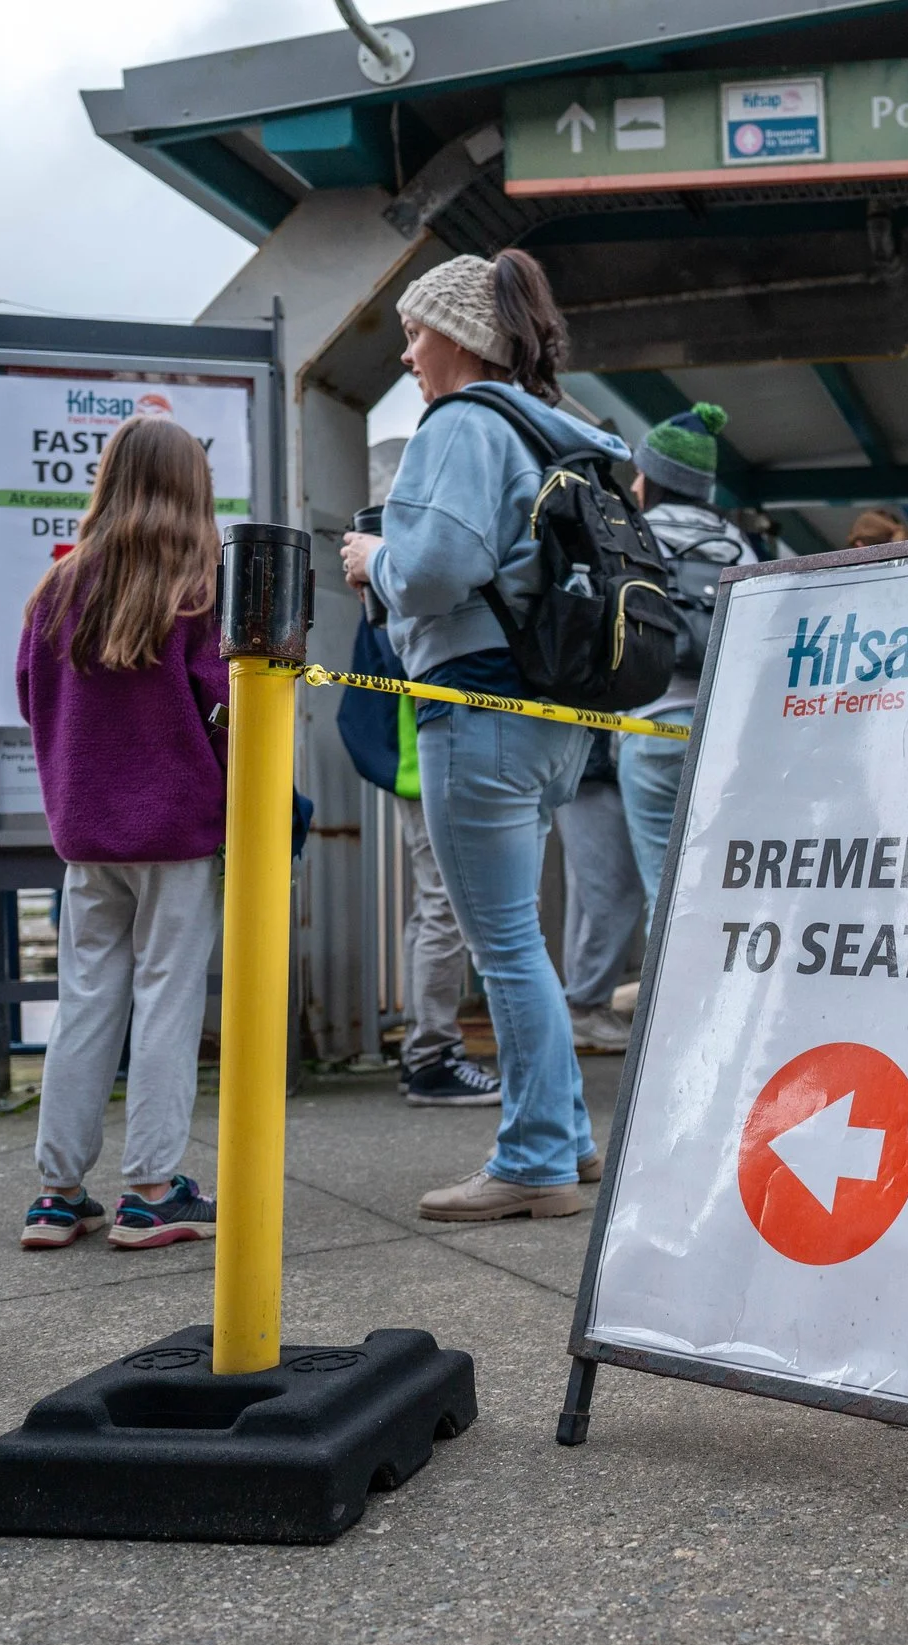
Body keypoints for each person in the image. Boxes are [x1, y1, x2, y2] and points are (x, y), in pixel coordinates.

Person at [341, 249, 630, 1223]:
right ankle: (570, 1140)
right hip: (550, 715)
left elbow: (436, 569)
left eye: (417, 331)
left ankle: (534, 1157)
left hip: (475, 703)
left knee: (502, 943)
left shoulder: (463, 424)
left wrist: (376, 557)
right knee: (523, 940)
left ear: (460, 335)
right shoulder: (562, 429)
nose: (409, 353)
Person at [14, 415, 225, 1252]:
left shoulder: (56, 592)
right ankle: (150, 1191)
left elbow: (34, 703)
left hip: (88, 833)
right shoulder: (197, 594)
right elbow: (226, 715)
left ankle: (57, 1193)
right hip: (178, 829)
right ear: (191, 491)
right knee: (167, 998)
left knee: (86, 999)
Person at [333, 613, 500, 1105]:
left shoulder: (384, 567)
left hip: (420, 749)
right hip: (425, 750)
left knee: (436, 905)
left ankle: (425, 1049)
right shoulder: (401, 565)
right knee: (444, 905)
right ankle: (430, 1054)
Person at [617, 403, 761, 935]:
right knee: (719, 886)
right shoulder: (738, 546)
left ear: (655, 479)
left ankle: (671, 1018)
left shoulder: (632, 535)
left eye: (640, 473)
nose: (634, 485)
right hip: (721, 737)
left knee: (665, 891)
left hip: (648, 727)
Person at [553, 732, 644, 1053]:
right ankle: (584, 1004)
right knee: (609, 889)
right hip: (592, 760)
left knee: (594, 889)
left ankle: (584, 1002)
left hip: (584, 757)